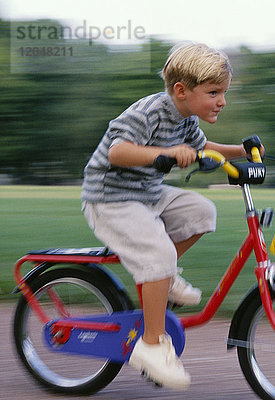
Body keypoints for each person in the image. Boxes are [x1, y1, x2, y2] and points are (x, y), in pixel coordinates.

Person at [81, 42, 256, 389]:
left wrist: (241, 150)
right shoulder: (147, 111)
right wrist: (163, 153)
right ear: (181, 90)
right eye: (214, 92)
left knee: (202, 211)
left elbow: (202, 148)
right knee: (158, 254)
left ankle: (162, 276)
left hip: (148, 195)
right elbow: (118, 151)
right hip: (110, 199)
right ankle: (150, 345)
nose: (222, 101)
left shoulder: (187, 118)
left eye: (223, 92)